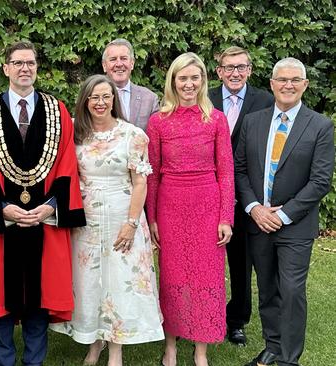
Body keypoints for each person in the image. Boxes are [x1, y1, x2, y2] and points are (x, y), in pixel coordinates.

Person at [0, 40, 86, 366]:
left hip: (43, 220)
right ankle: (3, 360)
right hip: (2, 221)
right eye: (18, 63)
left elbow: (65, 163)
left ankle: (35, 361)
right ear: (5, 68)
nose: (24, 68)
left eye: (30, 63)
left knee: (41, 296)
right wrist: (3, 207)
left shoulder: (56, 109)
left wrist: (50, 206)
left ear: (37, 68)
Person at [50, 75, 164, 366]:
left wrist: (131, 223)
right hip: (86, 220)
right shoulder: (75, 133)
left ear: (114, 99)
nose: (100, 103)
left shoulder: (132, 134)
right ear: (85, 101)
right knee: (89, 283)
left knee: (118, 282)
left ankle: (115, 349)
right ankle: (93, 341)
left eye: (106, 97)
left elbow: (140, 183)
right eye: (94, 97)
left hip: (121, 216)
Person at [235, 58, 334, 366]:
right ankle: (273, 345)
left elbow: (320, 181)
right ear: (272, 84)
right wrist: (254, 209)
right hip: (258, 222)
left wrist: (283, 214)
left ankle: (289, 358)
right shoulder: (254, 121)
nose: (288, 85)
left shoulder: (320, 125)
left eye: (295, 80)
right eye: (282, 79)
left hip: (295, 225)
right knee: (266, 289)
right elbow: (239, 170)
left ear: (304, 85)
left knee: (291, 290)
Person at [146, 52, 234, 366]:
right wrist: (152, 217)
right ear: (173, 81)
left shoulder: (216, 119)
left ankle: (200, 349)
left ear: (202, 81)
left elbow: (225, 171)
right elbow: (152, 172)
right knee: (171, 276)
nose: (188, 84)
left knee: (206, 277)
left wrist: (226, 217)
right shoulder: (158, 121)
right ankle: (170, 344)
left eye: (194, 78)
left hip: (207, 205)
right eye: (182, 78)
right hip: (170, 205)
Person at [208, 46, 274, 346]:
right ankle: (197, 314)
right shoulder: (203, 97)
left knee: (241, 260)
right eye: (229, 67)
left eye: (241, 67)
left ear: (250, 70)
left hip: (247, 192)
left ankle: (236, 320)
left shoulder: (265, 101)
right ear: (219, 70)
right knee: (202, 259)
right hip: (207, 191)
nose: (235, 73)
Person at [101, 38, 159, 130]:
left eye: (124, 58)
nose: (119, 64)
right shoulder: (93, 98)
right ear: (104, 66)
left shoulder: (150, 99)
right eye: (113, 59)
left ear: (132, 64)